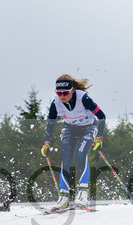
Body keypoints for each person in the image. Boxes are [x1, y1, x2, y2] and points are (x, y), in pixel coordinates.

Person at [41, 74, 107, 209]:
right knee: (66, 159)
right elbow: (50, 123)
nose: (62, 96)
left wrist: (99, 137)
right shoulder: (56, 103)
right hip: (70, 128)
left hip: (88, 127)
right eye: (59, 93)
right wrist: (46, 142)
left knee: (81, 155)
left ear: (72, 90)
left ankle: (83, 194)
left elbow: (102, 116)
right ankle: (63, 198)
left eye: (65, 93)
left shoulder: (83, 98)